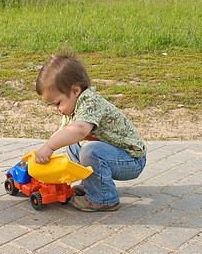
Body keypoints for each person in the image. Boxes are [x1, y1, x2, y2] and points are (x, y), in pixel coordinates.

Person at [34, 51, 147, 212]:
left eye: (58, 103)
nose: (57, 109)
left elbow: (80, 130)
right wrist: (43, 149)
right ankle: (91, 185)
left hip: (131, 159)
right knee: (73, 145)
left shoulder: (90, 102)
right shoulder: (73, 109)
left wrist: (50, 147)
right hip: (112, 154)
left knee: (90, 150)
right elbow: (62, 134)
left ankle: (104, 198)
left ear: (75, 91)